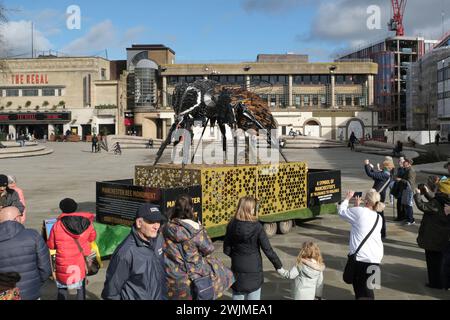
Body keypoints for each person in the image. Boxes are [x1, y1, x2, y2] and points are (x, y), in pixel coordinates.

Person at [163, 195, 233, 300]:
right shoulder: (195, 230)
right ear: (191, 209)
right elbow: (209, 249)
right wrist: (201, 229)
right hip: (193, 280)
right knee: (221, 271)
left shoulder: (165, 228)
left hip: (171, 279)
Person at [102, 203, 167, 300]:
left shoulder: (158, 239)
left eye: (158, 221)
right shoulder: (125, 252)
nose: (156, 226)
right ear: (139, 223)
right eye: (152, 221)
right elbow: (111, 293)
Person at [223, 196, 283, 300]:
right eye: (253, 208)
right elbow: (268, 250)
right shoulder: (257, 227)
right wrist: (278, 266)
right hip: (254, 268)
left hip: (237, 267)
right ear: (249, 209)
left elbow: (226, 250)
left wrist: (237, 255)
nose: (255, 210)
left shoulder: (231, 225)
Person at [47, 198, 96, 300]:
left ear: (61, 209)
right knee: (80, 288)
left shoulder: (57, 225)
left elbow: (51, 245)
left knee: (62, 288)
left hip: (63, 262)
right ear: (75, 208)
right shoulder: (87, 223)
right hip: (80, 261)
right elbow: (92, 238)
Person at [338, 190, 384, 300]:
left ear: (366, 201)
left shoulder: (359, 212)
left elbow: (341, 211)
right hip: (376, 257)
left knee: (361, 289)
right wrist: (357, 207)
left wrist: (347, 198)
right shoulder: (379, 218)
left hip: (362, 258)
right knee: (368, 287)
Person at [0, 206, 51, 300]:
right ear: (16, 218)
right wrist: (35, 284)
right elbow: (45, 267)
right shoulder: (33, 235)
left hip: (5, 295)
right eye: (21, 215)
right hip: (31, 292)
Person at [414, 184, 450, 289]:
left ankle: (435, 283)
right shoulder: (445, 201)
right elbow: (436, 199)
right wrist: (426, 192)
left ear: (441, 191)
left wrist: (417, 194)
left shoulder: (436, 203)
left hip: (433, 237)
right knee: (441, 261)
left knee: (433, 263)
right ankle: (443, 282)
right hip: (443, 236)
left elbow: (422, 206)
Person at [364, 159, 394, 239]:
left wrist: (366, 165)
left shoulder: (385, 175)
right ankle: (379, 232)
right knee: (377, 213)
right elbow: (375, 176)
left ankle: (382, 233)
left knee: (379, 214)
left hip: (378, 196)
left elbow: (370, 174)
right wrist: (371, 168)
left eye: (382, 165)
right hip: (379, 196)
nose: (380, 165)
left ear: (386, 167)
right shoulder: (386, 174)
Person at [397, 159, 416, 225]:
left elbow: (410, 182)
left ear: (408, 163)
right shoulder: (407, 169)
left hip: (409, 189)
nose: (403, 163)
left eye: (405, 162)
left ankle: (411, 220)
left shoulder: (411, 171)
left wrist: (400, 180)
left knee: (408, 205)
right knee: (405, 204)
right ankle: (407, 218)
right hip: (405, 189)